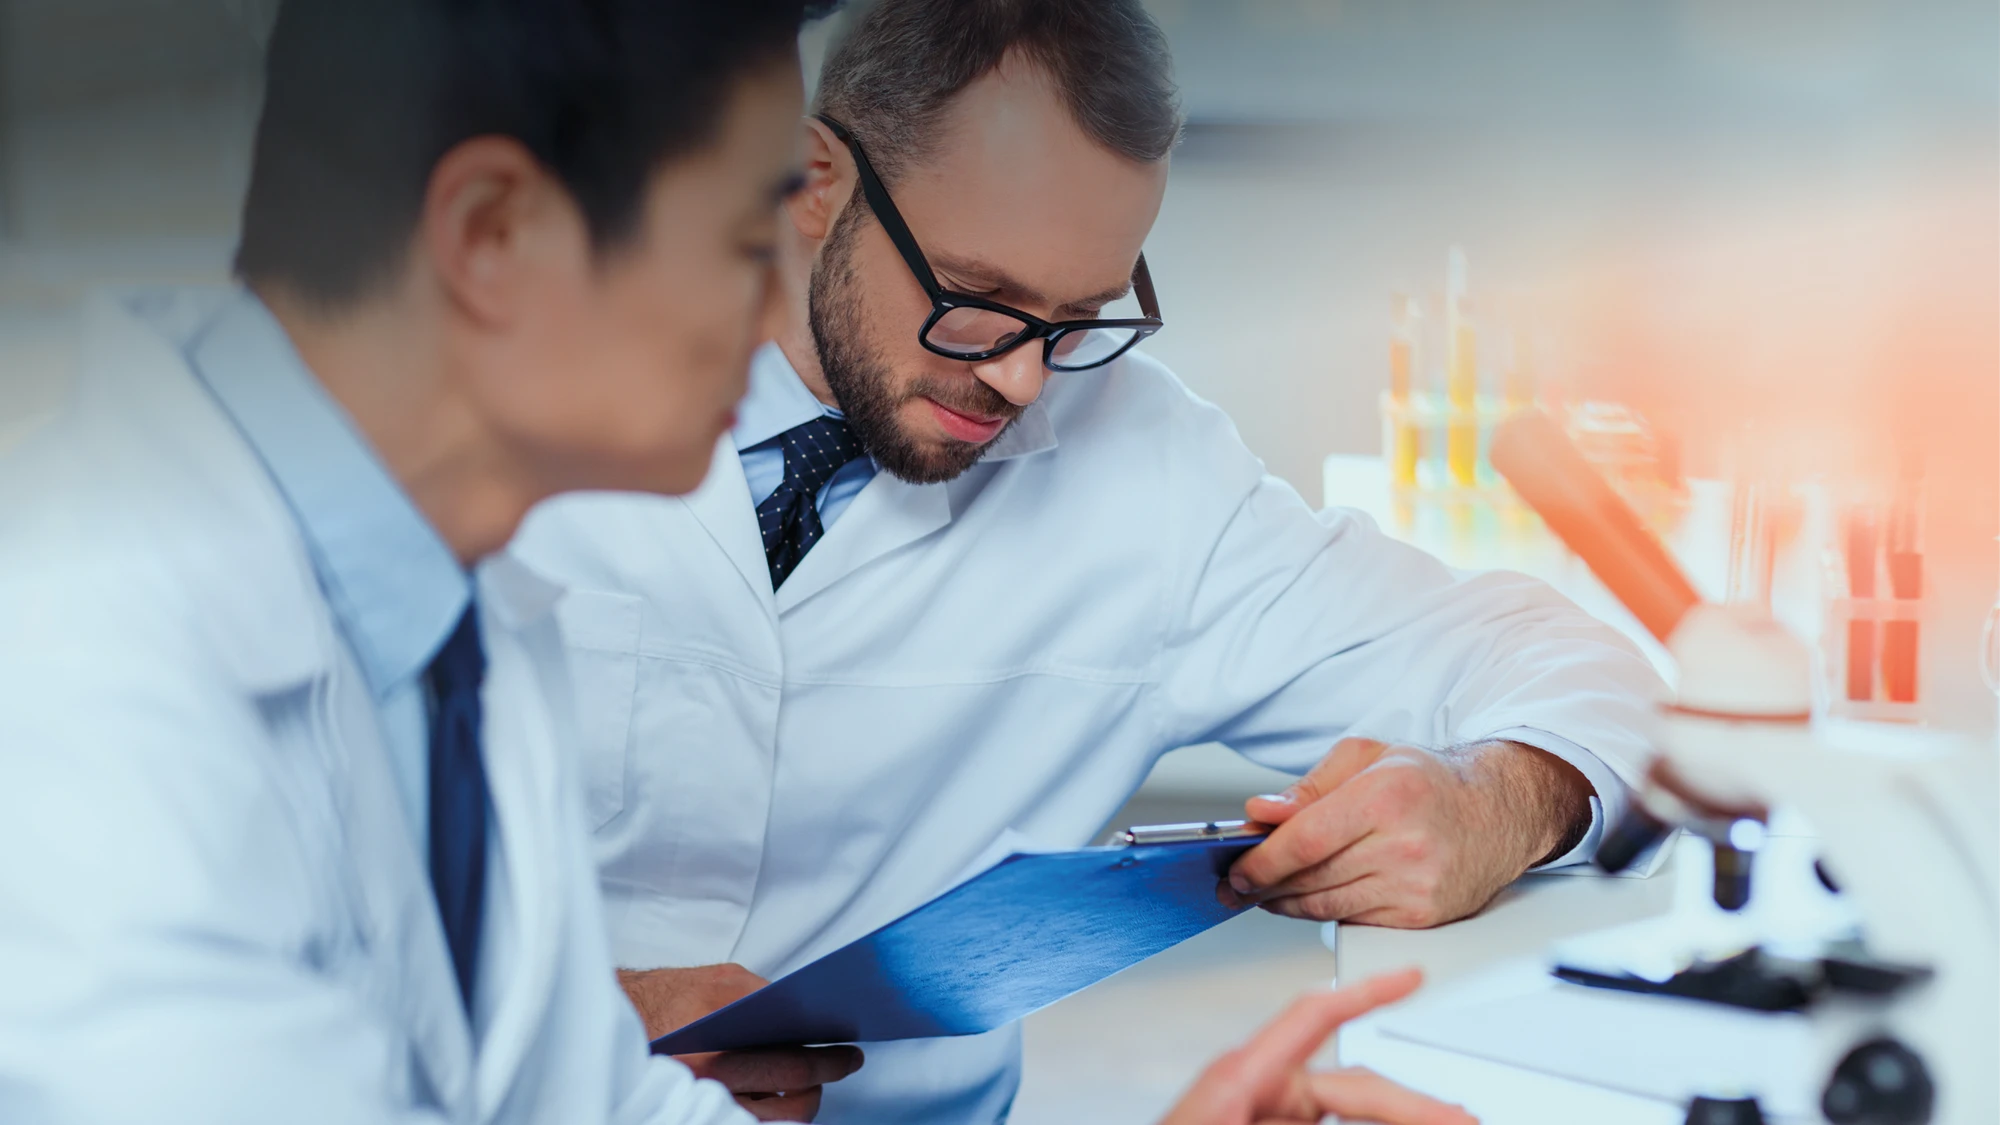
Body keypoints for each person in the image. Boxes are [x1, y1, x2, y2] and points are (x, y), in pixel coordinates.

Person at [505, 0, 1667, 1121]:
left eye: (1079, 316)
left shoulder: (1143, 467)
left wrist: (1498, 800)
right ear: (816, 183)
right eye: (978, 301)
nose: (1021, 379)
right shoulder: (491, 395)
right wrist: (566, 1033)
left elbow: (1577, 668)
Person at [0, 0, 824, 1120]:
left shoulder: (453, 624)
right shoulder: (74, 689)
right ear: (491, 233)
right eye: (744, 245)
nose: (782, 310)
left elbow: (577, 1102)